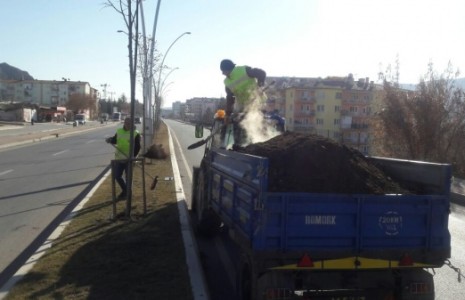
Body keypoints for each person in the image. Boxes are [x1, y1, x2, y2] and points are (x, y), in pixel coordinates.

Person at [220, 59, 267, 146]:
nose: (222, 73)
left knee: (258, 123)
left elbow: (261, 73)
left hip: (257, 103)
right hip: (243, 106)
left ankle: (261, 143)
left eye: (223, 71)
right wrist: (228, 114)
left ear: (227, 69)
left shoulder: (243, 70)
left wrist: (260, 87)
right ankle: (239, 145)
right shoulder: (227, 82)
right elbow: (230, 99)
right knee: (239, 124)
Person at [106, 117, 141, 200]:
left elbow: (138, 147)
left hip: (129, 159)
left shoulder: (136, 133)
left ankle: (127, 194)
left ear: (132, 124)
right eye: (126, 123)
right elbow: (115, 140)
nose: (128, 124)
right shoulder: (119, 131)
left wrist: (133, 157)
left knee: (128, 177)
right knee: (117, 176)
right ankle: (126, 191)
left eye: (129, 123)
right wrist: (110, 140)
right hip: (119, 158)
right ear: (124, 123)